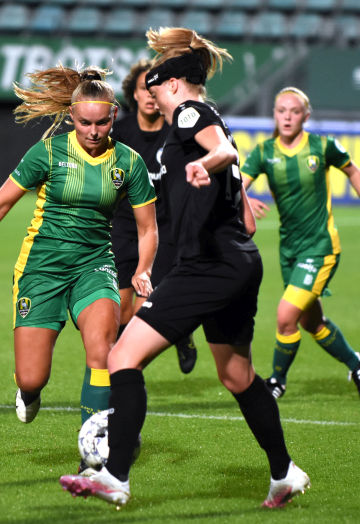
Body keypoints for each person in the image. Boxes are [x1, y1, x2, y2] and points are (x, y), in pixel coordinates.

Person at [60, 28, 310, 509]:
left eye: (155, 90)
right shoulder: (209, 121)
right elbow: (242, 216)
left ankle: (115, 476)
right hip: (237, 259)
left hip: (209, 265)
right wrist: (216, 189)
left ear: (173, 85)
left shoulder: (192, 114)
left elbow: (225, 152)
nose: (151, 98)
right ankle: (284, 473)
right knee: (237, 376)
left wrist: (207, 166)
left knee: (121, 358)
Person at [0, 67, 158, 444]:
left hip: (95, 267)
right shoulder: (47, 153)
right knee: (32, 377)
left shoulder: (129, 162)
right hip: (41, 270)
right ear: (71, 117)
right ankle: (28, 391)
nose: (93, 132)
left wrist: (142, 270)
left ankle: (95, 447)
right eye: (84, 123)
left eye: (101, 123)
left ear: (113, 117)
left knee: (102, 352)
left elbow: (147, 228)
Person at [240, 86, 360, 400]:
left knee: (285, 316)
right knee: (311, 321)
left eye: (295, 111)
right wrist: (245, 200)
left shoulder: (322, 146)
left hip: (320, 247)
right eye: (282, 111)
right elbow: (237, 185)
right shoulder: (264, 152)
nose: (288, 117)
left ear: (306, 116)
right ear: (274, 115)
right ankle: (356, 362)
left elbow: (353, 171)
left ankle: (276, 382)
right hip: (289, 250)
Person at [110, 59, 197, 374]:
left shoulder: (178, 132)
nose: (148, 95)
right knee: (119, 309)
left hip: (163, 230)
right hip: (123, 225)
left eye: (153, 88)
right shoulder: (118, 132)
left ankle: (126, 370)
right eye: (141, 89)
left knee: (142, 306)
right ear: (133, 94)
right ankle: (123, 364)